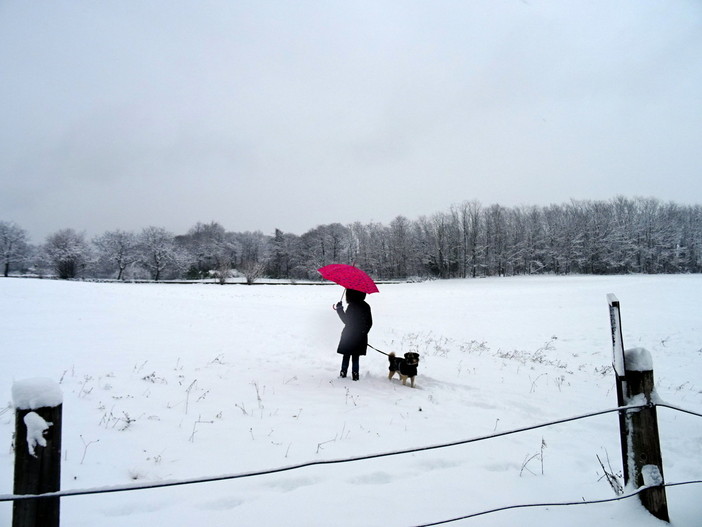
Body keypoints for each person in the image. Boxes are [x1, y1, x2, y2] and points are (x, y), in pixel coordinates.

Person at [334, 288, 373, 381]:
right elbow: (370, 323)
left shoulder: (352, 306)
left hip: (349, 335)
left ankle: (343, 373)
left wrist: (339, 309)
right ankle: (355, 375)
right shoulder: (366, 306)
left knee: (346, 355)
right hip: (360, 337)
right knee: (356, 356)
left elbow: (346, 321)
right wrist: (363, 333)